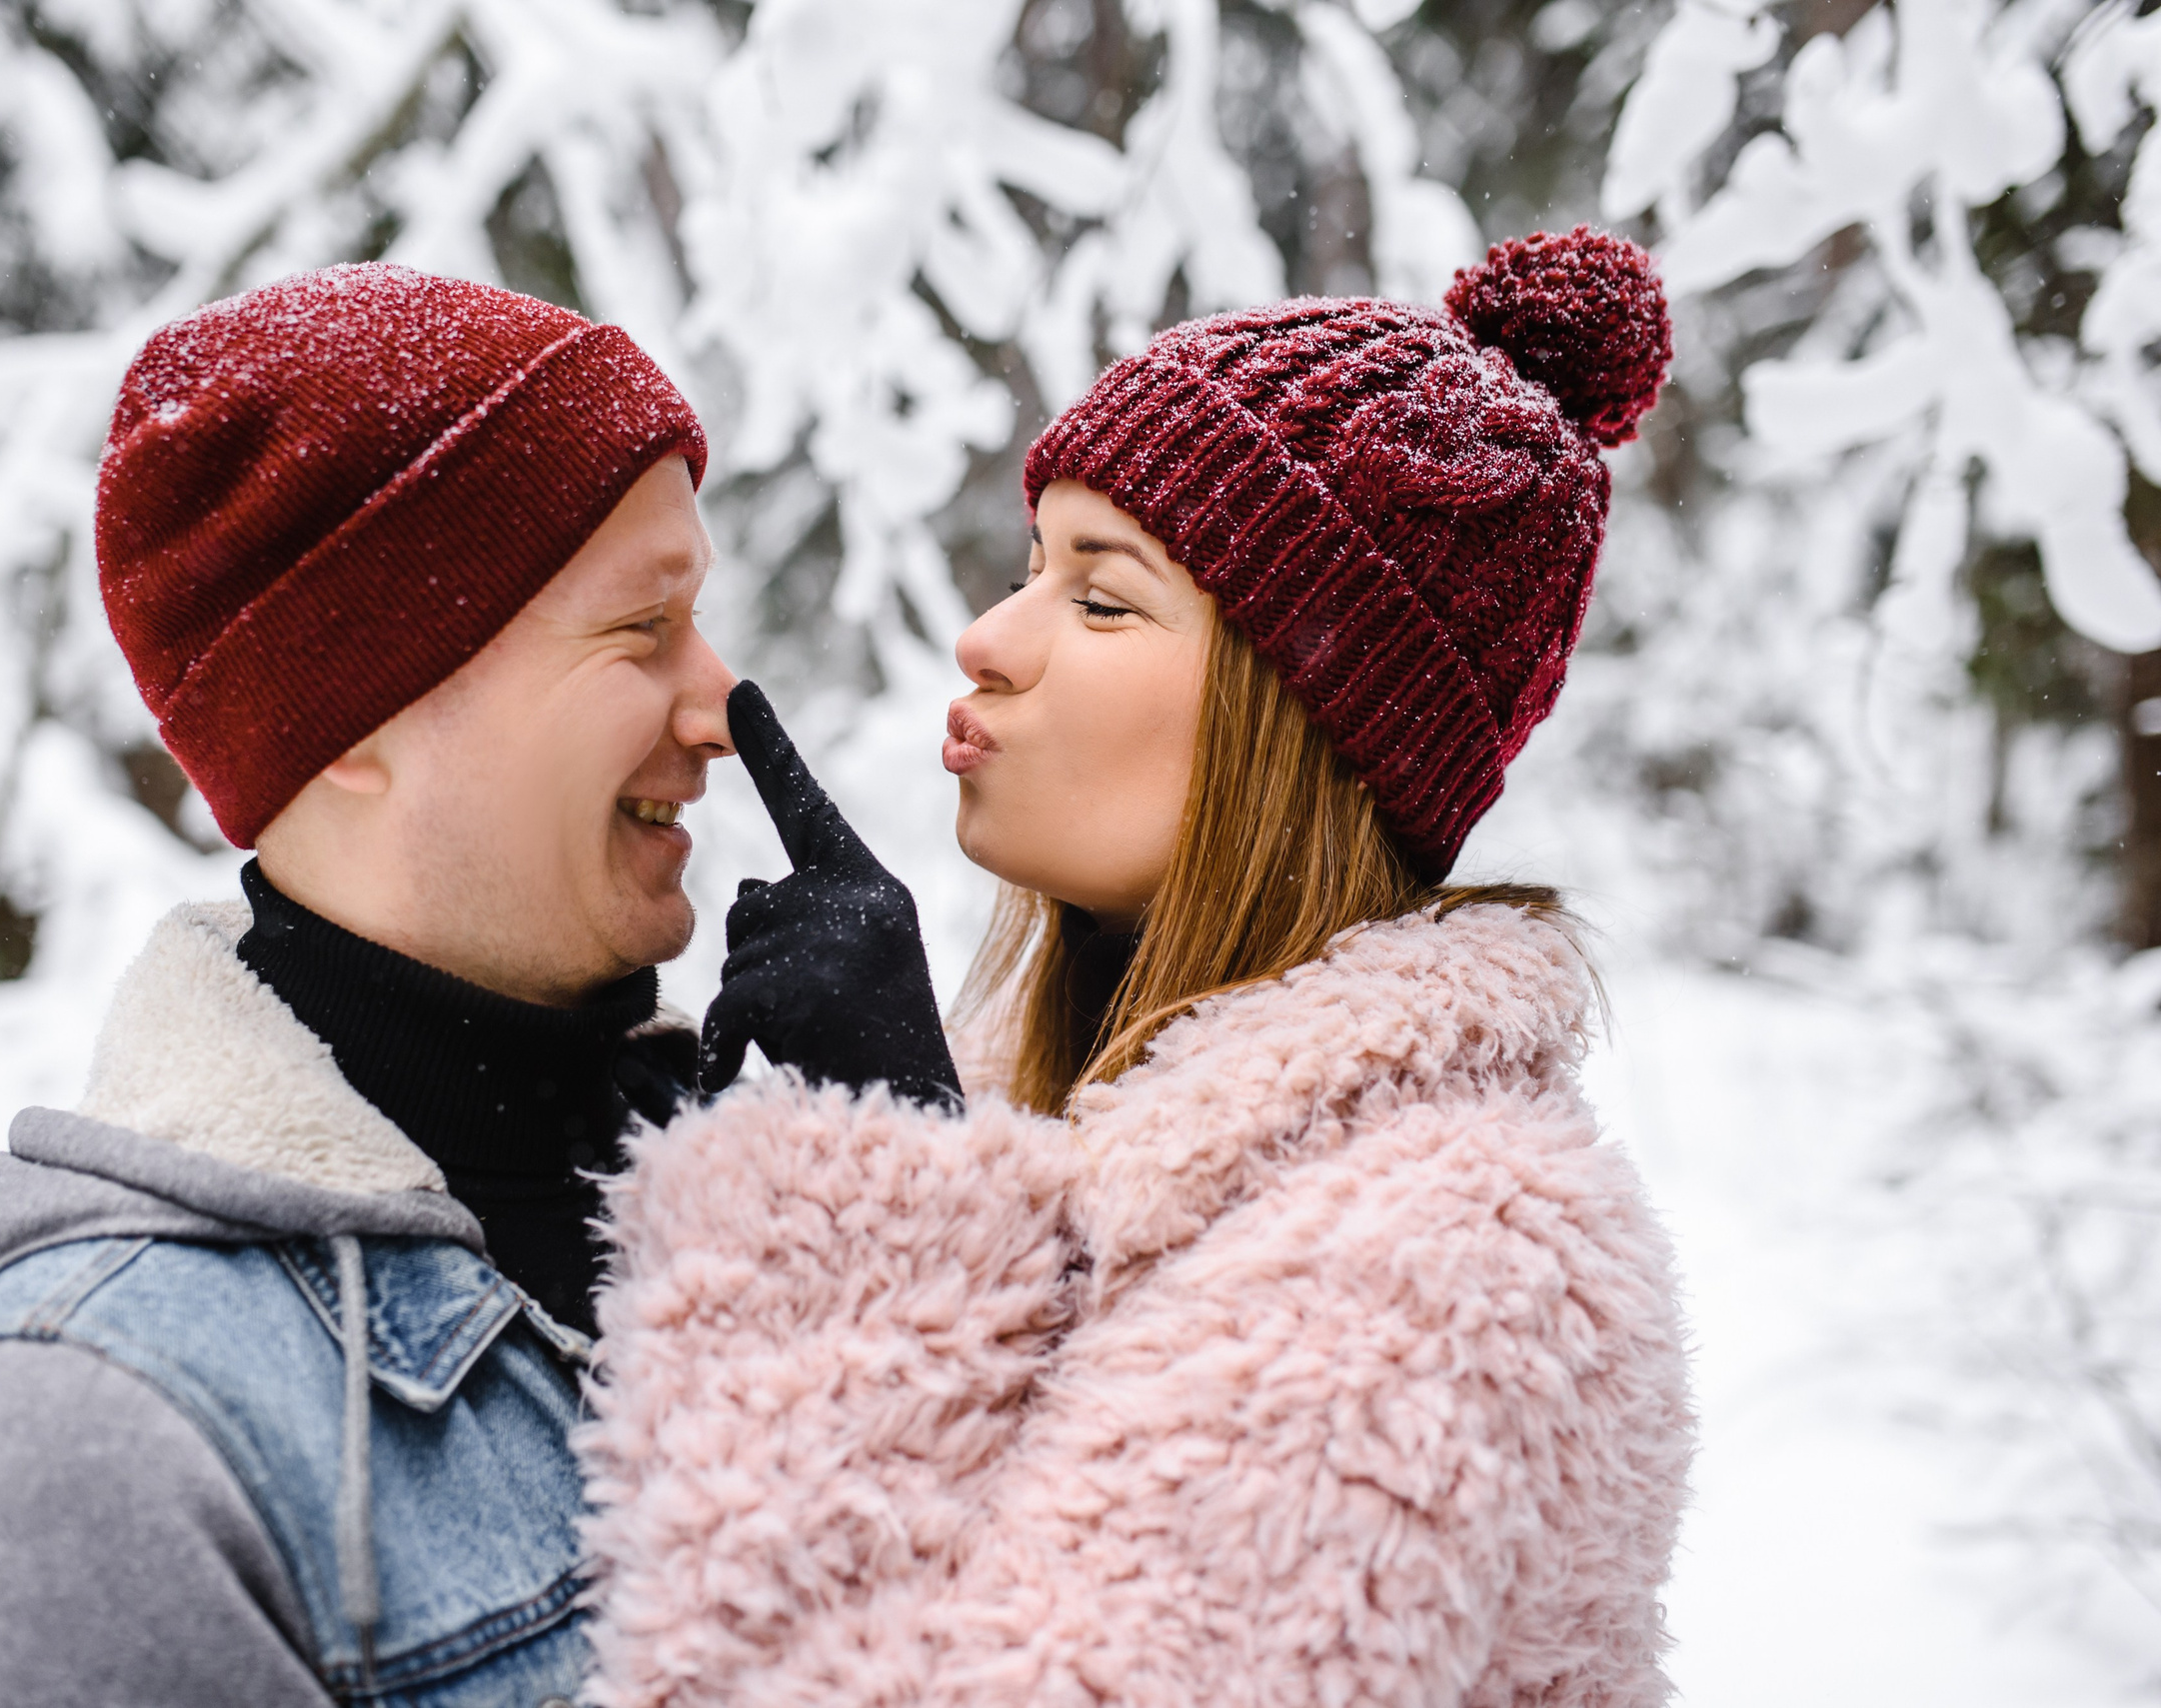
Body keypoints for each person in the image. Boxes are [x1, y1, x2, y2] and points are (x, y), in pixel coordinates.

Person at [579, 227, 1695, 1706]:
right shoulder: (1109, 1132)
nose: (986, 637)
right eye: (1032, 565)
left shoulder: (1444, 1265)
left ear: (1300, 724)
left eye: (1103, 600)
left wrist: (880, 1203)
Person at [0, 263, 747, 1707]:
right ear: (357, 715)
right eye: (644, 630)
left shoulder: (759, 1218)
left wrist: (914, 1200)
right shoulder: (89, 1445)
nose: (720, 705)